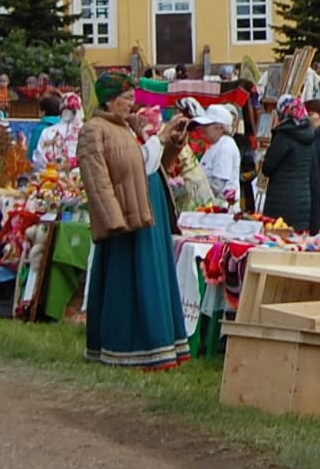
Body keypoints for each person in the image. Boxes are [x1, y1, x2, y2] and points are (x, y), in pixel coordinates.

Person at [75, 69, 192, 367]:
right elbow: (104, 177)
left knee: (151, 277)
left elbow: (152, 166)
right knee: (131, 281)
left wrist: (171, 144)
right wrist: (113, 220)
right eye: (126, 98)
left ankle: (161, 345)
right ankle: (129, 347)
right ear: (110, 100)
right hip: (127, 217)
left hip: (147, 210)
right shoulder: (95, 129)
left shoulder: (126, 128)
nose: (131, 103)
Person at [259, 99, 320, 233]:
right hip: (306, 198)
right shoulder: (307, 136)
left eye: (312, 113)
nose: (309, 117)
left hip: (316, 200)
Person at [193, 104, 244, 205]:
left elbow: (218, 185)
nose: (202, 128)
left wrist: (195, 194)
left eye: (207, 125)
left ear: (220, 127)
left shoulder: (225, 146)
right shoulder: (215, 144)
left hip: (220, 210)